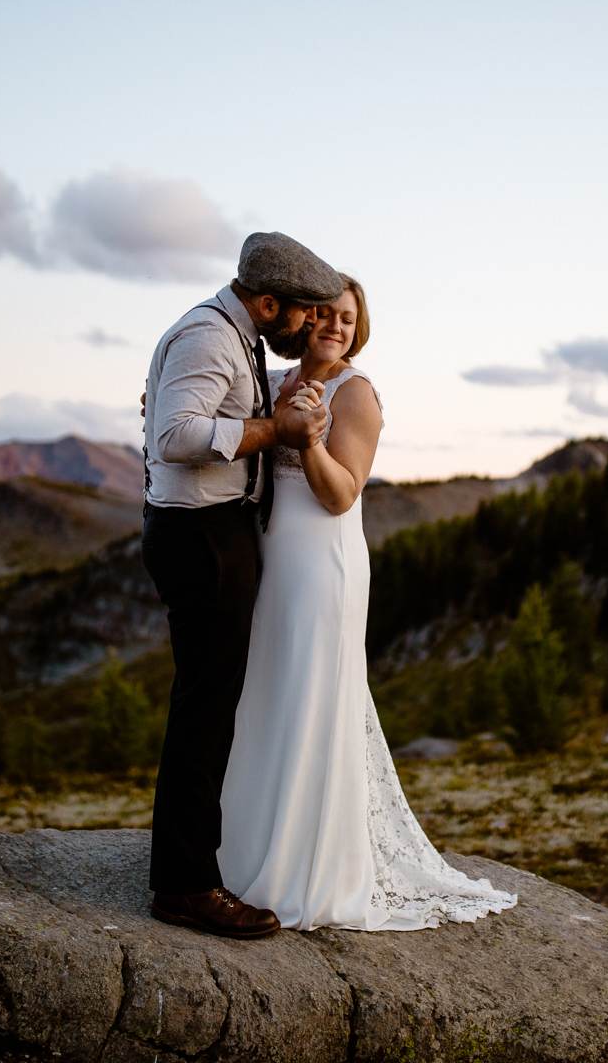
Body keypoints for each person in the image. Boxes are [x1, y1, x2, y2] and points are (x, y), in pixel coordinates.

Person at [216, 273, 520, 931]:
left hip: (324, 564)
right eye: (324, 314)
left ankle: (311, 868)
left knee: (310, 695)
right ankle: (245, 851)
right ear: (303, 319)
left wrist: (310, 440)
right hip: (275, 560)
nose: (334, 327)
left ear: (360, 327)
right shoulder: (278, 383)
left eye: (348, 319)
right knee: (268, 693)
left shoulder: (357, 394)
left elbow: (342, 494)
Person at [141, 230, 345, 939]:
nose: (308, 327)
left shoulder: (234, 333)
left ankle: (189, 864)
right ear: (267, 302)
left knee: (211, 699)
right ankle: (185, 885)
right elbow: (175, 436)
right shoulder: (209, 335)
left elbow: (178, 417)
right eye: (302, 314)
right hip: (201, 538)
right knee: (205, 705)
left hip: (215, 532)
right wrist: (276, 431)